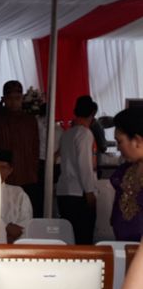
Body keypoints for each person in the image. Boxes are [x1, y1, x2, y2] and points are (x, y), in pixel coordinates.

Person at [0, 80, 41, 216]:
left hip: (29, 179)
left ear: (22, 98)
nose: (14, 102)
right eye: (10, 98)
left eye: (17, 98)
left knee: (27, 220)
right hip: (4, 180)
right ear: (4, 99)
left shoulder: (30, 121)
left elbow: (35, 148)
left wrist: (34, 171)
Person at [57, 95, 98, 245]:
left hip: (64, 191)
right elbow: (84, 165)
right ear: (93, 114)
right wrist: (89, 192)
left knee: (68, 237)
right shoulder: (85, 134)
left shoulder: (67, 133)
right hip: (79, 192)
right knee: (83, 237)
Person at [109, 107, 143, 241]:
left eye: (120, 142)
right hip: (122, 249)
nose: (118, 147)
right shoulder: (124, 172)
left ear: (137, 141)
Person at [0, 149, 32, 243]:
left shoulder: (18, 194)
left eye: (3, 167)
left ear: (10, 170)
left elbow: (21, 229)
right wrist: (6, 227)